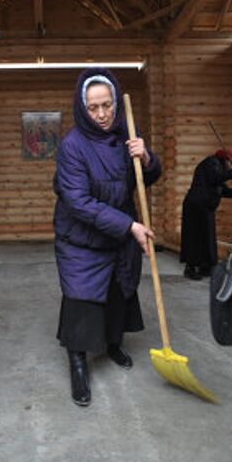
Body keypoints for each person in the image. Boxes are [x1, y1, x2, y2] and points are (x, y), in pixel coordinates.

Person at [53, 68, 161, 407]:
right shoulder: (72, 146)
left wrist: (146, 157)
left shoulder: (127, 132)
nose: (101, 114)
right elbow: (78, 201)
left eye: (107, 105)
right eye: (93, 107)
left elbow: (146, 178)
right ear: (81, 107)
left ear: (115, 102)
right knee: (81, 299)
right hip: (81, 236)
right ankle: (78, 363)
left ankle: (114, 344)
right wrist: (129, 226)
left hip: (119, 231)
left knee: (119, 291)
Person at [179, 148, 232, 280]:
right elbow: (214, 178)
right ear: (226, 160)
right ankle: (191, 268)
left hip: (205, 207)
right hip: (196, 206)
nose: (231, 165)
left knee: (207, 237)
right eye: (231, 162)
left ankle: (206, 267)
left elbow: (222, 190)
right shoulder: (211, 163)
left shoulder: (217, 167)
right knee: (194, 237)